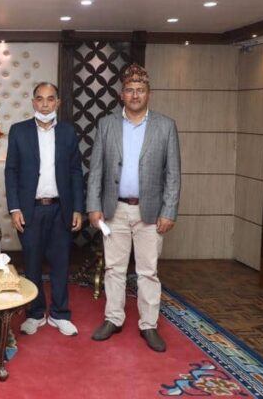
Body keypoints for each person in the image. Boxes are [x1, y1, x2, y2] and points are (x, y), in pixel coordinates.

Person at [87, 63, 181, 352]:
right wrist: (93, 206)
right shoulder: (107, 124)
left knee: (148, 271)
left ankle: (149, 324)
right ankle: (113, 318)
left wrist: (169, 211)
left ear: (149, 94)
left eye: (140, 90)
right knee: (114, 269)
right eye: (130, 90)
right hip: (113, 209)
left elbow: (173, 174)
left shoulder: (165, 126)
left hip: (150, 212)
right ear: (121, 94)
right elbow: (96, 169)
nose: (135, 95)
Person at [5, 82, 84, 336]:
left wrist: (78, 208)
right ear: (33, 102)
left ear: (58, 103)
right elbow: (11, 171)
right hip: (31, 210)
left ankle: (60, 314)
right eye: (40, 99)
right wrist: (14, 208)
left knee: (61, 264)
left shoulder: (68, 132)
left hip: (61, 209)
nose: (45, 104)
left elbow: (75, 171)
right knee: (32, 264)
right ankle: (35, 313)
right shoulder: (19, 131)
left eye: (50, 99)